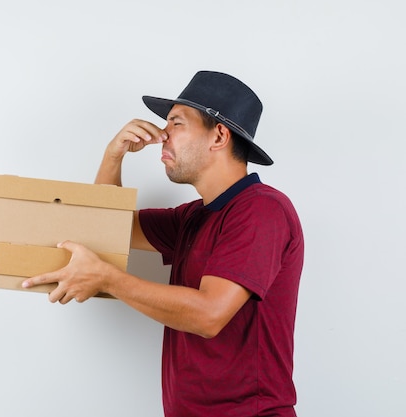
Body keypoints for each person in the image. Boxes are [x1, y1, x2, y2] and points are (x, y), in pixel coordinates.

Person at [22, 70, 304, 417]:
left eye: (176, 123)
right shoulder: (192, 218)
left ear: (218, 136)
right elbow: (106, 229)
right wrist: (114, 155)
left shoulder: (262, 210)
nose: (162, 135)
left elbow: (209, 314)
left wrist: (107, 278)